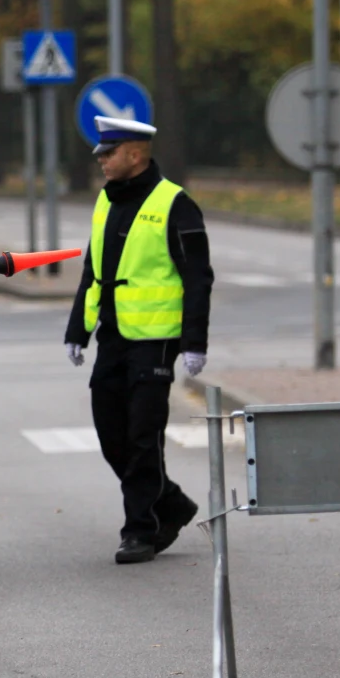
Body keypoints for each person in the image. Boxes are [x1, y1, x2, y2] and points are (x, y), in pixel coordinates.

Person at [63, 116, 214, 565]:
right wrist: (78, 330)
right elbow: (94, 273)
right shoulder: (106, 201)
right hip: (114, 337)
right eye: (101, 155)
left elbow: (198, 277)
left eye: (109, 154)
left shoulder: (175, 204)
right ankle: (172, 503)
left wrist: (194, 341)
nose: (103, 162)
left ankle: (139, 530)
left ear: (135, 153)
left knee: (143, 436)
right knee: (112, 436)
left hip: (157, 340)